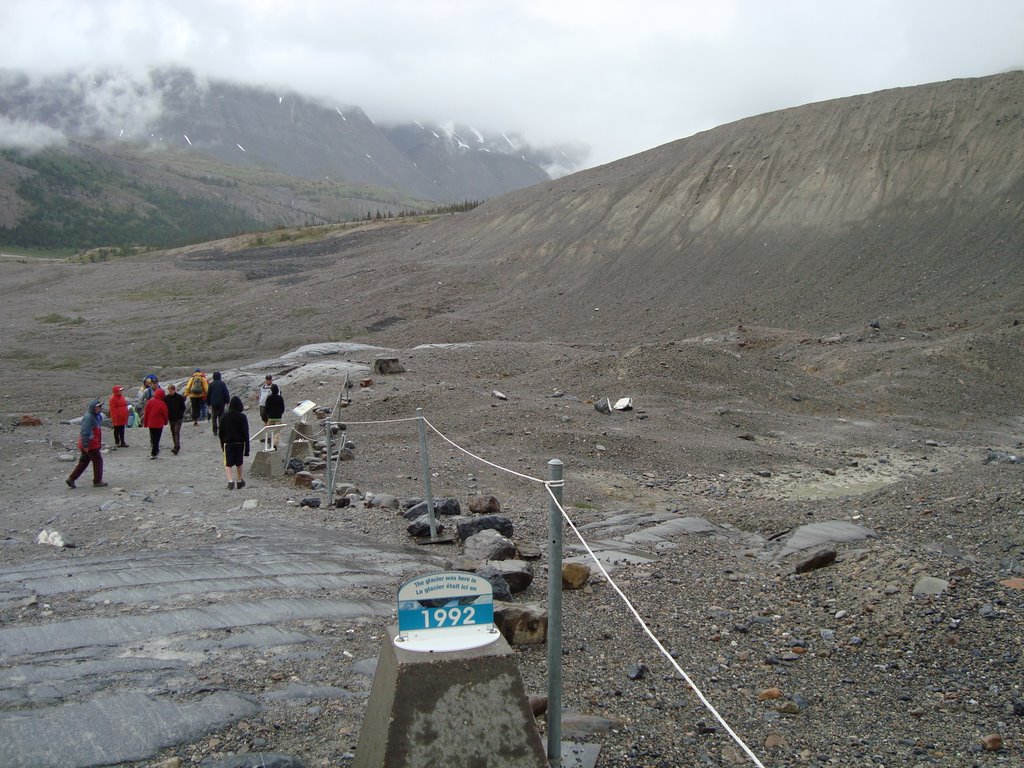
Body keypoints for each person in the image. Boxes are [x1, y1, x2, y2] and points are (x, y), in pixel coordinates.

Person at [66, 399, 107, 488]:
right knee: (98, 461)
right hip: (90, 444)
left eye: (100, 406)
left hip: (90, 443)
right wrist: (85, 445)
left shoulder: (96, 416)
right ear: (93, 408)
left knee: (84, 462)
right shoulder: (89, 417)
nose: (100, 408)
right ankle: (97, 481)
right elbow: (84, 432)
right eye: (98, 407)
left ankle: (71, 479)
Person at [219, 395, 250, 490]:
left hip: (228, 443)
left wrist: (222, 445)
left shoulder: (224, 416)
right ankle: (240, 481)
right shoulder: (242, 417)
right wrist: (247, 449)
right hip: (240, 443)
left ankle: (230, 481)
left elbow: (221, 432)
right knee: (239, 462)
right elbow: (246, 433)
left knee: (228, 463)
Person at [143, 387, 169, 459]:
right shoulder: (162, 403)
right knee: (157, 438)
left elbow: (146, 413)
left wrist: (145, 423)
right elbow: (165, 413)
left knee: (153, 437)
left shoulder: (150, 402)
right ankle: (154, 453)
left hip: (151, 423)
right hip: (159, 424)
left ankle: (156, 450)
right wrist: (166, 422)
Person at [164, 383, 187, 455]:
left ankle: (176, 447)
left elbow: (183, 407)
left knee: (176, 431)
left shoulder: (179, 397)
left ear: (174, 390)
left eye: (171, 390)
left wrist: (180, 414)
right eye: (169, 391)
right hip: (171, 418)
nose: (170, 392)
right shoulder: (166, 398)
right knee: (173, 432)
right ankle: (176, 445)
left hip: (178, 418)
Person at [206, 371, 230, 436]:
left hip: (213, 403)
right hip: (221, 402)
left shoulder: (211, 384)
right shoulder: (222, 384)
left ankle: (215, 431)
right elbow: (225, 392)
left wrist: (208, 403)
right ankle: (221, 429)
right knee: (221, 416)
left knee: (214, 417)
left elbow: (208, 394)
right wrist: (227, 401)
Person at [264, 382, 285, 450]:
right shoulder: (280, 398)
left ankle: (271, 442)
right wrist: (280, 413)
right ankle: (275, 443)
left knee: (270, 430)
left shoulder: (269, 398)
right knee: (277, 431)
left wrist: (268, 414)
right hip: (278, 417)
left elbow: (266, 407)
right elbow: (282, 407)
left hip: (271, 417)